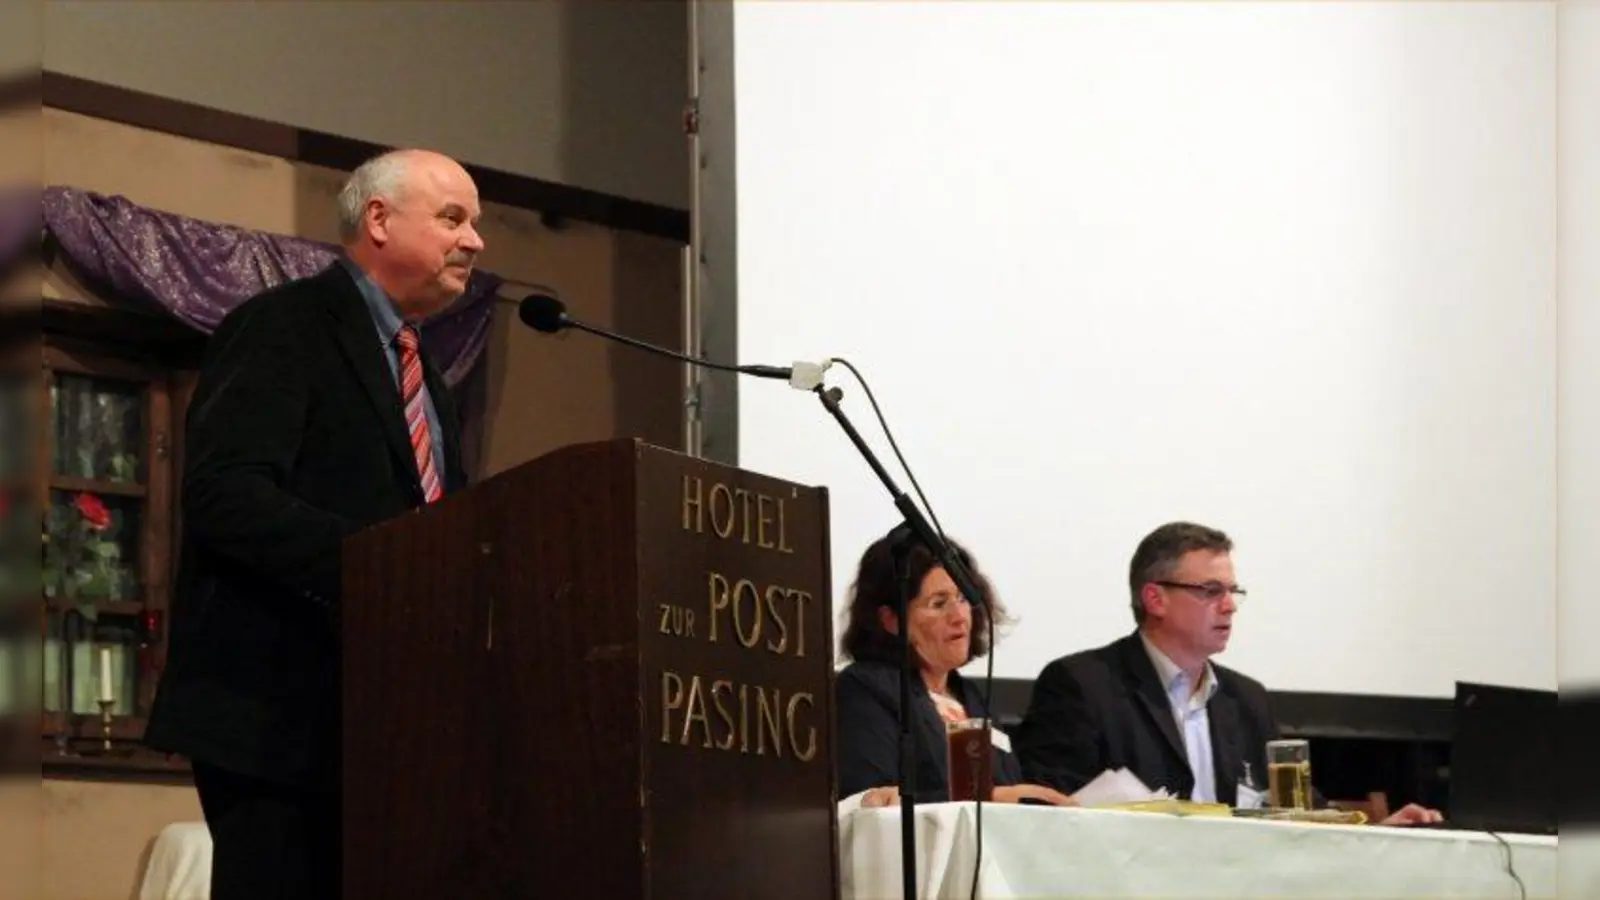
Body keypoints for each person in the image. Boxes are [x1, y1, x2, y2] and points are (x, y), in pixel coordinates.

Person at [143, 148, 485, 898]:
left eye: (474, 223)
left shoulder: (423, 370)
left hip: (385, 720)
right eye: (453, 219)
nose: (475, 241)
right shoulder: (283, 325)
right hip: (275, 714)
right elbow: (226, 493)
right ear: (379, 220)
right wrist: (382, 567)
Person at [1011, 521, 1441, 825]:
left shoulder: (1246, 699)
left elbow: (1295, 809)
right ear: (1155, 599)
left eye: (1233, 591)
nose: (1230, 606)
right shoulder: (1083, 685)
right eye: (1211, 591)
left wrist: (1375, 832)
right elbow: (1052, 810)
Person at [835, 528, 1076, 808]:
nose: (960, 616)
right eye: (938, 604)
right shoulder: (866, 689)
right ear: (891, 619)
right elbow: (873, 803)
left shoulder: (970, 696)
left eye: (963, 598)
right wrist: (990, 800)